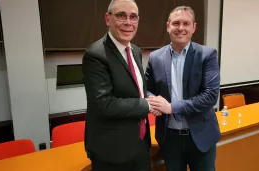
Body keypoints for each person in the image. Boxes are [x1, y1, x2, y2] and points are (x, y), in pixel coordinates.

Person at [82, 0, 156, 170]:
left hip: (140, 144)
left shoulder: (136, 51)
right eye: (121, 16)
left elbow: (136, 91)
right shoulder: (95, 55)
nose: (128, 22)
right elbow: (104, 104)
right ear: (108, 19)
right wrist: (147, 104)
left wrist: (150, 99)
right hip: (112, 150)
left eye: (133, 17)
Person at [145, 6, 221, 171]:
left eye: (186, 23)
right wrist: (154, 103)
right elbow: (146, 89)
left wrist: (171, 108)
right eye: (176, 23)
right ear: (168, 26)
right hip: (170, 139)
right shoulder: (155, 57)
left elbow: (210, 96)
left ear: (194, 27)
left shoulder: (207, 55)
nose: (181, 28)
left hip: (201, 138)